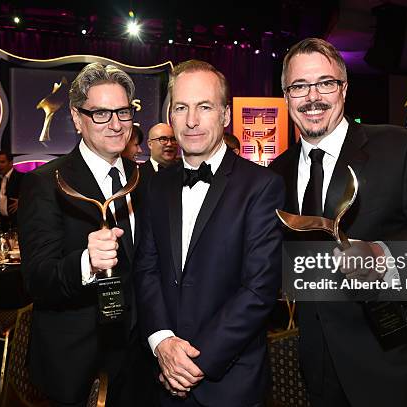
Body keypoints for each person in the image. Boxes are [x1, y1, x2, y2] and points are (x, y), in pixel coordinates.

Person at [269, 38, 407, 407]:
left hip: (392, 359)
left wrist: (384, 254)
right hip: (317, 358)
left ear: (344, 89)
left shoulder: (400, 147)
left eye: (325, 83)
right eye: (299, 86)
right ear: (287, 96)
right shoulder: (278, 171)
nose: (312, 96)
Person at [134, 60, 284, 407]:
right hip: (163, 374)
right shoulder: (156, 186)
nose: (191, 120)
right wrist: (162, 342)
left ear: (225, 115)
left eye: (204, 107)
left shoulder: (262, 186)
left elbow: (259, 288)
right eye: (181, 108)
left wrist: (193, 364)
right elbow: (147, 268)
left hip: (229, 381)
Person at [18, 62, 153, 407]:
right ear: (77, 119)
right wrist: (86, 262)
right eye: (100, 113)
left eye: (122, 111)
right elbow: (37, 280)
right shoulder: (46, 183)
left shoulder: (144, 181)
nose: (115, 123)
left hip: (138, 358)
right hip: (77, 364)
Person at [0, 150, 22, 231]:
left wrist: (23, 200)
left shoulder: (20, 177)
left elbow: (35, 195)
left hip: (18, 224)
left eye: (2, 162)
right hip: (3, 223)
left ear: (11, 163)